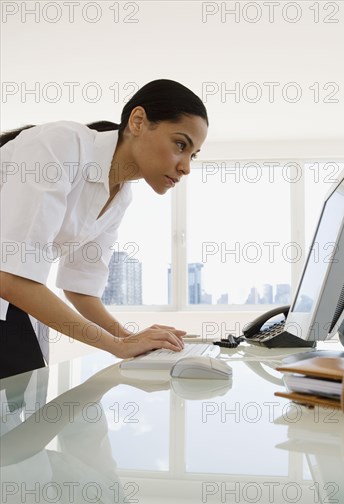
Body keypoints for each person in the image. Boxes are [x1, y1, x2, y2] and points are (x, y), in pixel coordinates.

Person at [0, 79, 209, 378]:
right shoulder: (62, 143)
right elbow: (10, 277)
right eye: (180, 145)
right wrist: (117, 345)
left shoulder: (121, 195)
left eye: (193, 155)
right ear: (138, 121)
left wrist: (128, 339)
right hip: (9, 298)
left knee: (24, 415)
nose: (186, 166)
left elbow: (79, 287)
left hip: (15, 309)